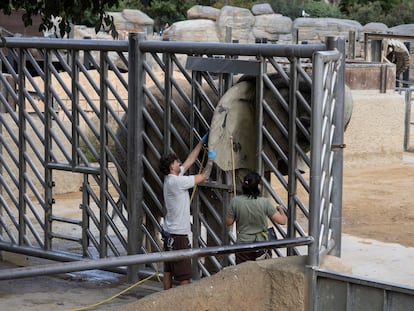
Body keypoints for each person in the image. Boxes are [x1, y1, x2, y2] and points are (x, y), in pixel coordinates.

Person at [158, 132, 216, 290]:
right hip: (179, 237)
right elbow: (204, 176)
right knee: (184, 276)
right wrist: (211, 158)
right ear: (172, 166)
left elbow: (190, 161)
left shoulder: (170, 180)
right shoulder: (177, 182)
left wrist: (201, 143)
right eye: (177, 162)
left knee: (168, 272)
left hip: (169, 233)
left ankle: (166, 301)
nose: (179, 163)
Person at [225, 171, 287, 264]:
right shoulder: (265, 202)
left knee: (243, 273)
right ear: (258, 186)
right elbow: (282, 221)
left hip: (243, 244)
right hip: (261, 244)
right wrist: (280, 209)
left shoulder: (235, 201)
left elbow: (228, 222)